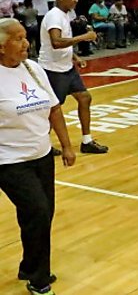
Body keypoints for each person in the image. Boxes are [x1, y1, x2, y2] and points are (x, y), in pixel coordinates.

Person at [0, 18, 76, 295]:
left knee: (42, 215)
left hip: (42, 156)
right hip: (8, 161)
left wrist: (66, 146)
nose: (26, 43)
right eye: (18, 39)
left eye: (25, 37)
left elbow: (54, 109)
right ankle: (39, 280)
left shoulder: (34, 69)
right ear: (0, 46)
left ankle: (29, 266)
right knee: (38, 211)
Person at [39, 0, 108, 154]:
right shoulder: (54, 16)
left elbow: (64, 42)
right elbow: (56, 42)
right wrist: (84, 37)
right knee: (53, 109)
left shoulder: (66, 14)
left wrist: (75, 57)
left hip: (67, 68)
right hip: (53, 70)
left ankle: (87, 141)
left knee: (85, 98)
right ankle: (42, 145)